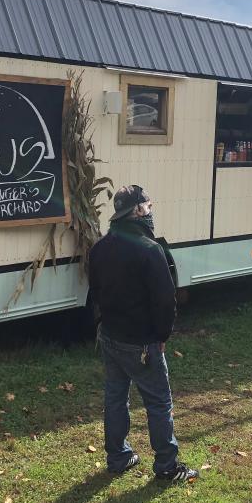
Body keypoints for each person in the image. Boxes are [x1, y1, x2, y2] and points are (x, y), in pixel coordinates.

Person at [88, 184, 198, 482]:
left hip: (110, 337)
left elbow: (95, 292)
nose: (151, 212)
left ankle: (118, 457)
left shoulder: (100, 247)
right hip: (142, 343)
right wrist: (161, 337)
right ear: (137, 211)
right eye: (148, 207)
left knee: (115, 398)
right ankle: (167, 466)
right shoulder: (150, 250)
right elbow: (165, 301)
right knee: (159, 402)